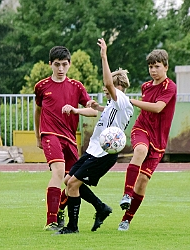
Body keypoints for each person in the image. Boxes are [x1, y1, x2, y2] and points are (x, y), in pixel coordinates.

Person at [56, 38, 134, 234]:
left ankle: (72, 227)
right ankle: (100, 207)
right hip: (94, 150)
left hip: (103, 154)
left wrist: (104, 56)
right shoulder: (112, 104)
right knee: (68, 181)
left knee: (73, 185)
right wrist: (93, 108)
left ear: (116, 87)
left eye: (108, 88)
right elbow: (106, 115)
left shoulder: (121, 99)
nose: (105, 90)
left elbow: (108, 83)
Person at [34, 45, 98, 231]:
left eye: (64, 64)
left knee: (73, 180)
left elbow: (93, 111)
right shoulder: (42, 86)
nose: (60, 69)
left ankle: (60, 208)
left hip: (69, 139)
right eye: (56, 65)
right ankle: (51, 221)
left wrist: (76, 109)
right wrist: (38, 135)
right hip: (50, 135)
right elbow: (38, 111)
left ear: (69, 64)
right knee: (58, 171)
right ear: (50, 65)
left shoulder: (77, 87)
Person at [118, 49, 177, 231]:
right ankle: (126, 195)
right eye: (150, 67)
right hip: (141, 128)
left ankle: (126, 219)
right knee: (140, 150)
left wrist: (132, 101)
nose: (153, 70)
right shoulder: (146, 86)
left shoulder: (170, 87)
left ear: (165, 67)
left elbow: (158, 108)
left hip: (159, 140)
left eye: (157, 66)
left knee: (143, 181)